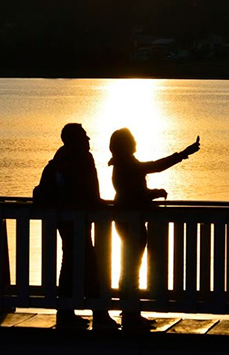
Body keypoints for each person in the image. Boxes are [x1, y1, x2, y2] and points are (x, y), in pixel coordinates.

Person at [108, 128, 200, 330]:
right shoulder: (127, 164)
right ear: (125, 144)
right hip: (130, 222)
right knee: (132, 267)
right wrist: (184, 154)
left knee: (129, 266)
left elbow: (134, 191)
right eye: (131, 139)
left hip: (126, 220)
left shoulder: (123, 164)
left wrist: (152, 193)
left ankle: (131, 312)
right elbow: (151, 172)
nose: (135, 141)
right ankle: (131, 315)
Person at [48, 123, 118, 329]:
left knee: (69, 263)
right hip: (78, 219)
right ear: (74, 139)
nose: (88, 140)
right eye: (84, 136)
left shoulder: (60, 157)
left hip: (66, 220)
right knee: (89, 265)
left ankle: (66, 312)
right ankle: (98, 314)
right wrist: (101, 205)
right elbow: (89, 191)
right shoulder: (82, 158)